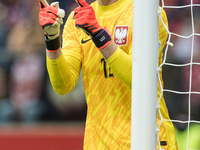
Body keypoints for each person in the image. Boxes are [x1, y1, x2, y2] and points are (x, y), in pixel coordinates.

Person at [38, 0, 178, 149]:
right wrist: (52, 39)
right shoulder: (77, 19)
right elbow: (63, 86)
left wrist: (98, 34)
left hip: (148, 140)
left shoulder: (148, 14)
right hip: (98, 144)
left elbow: (141, 81)